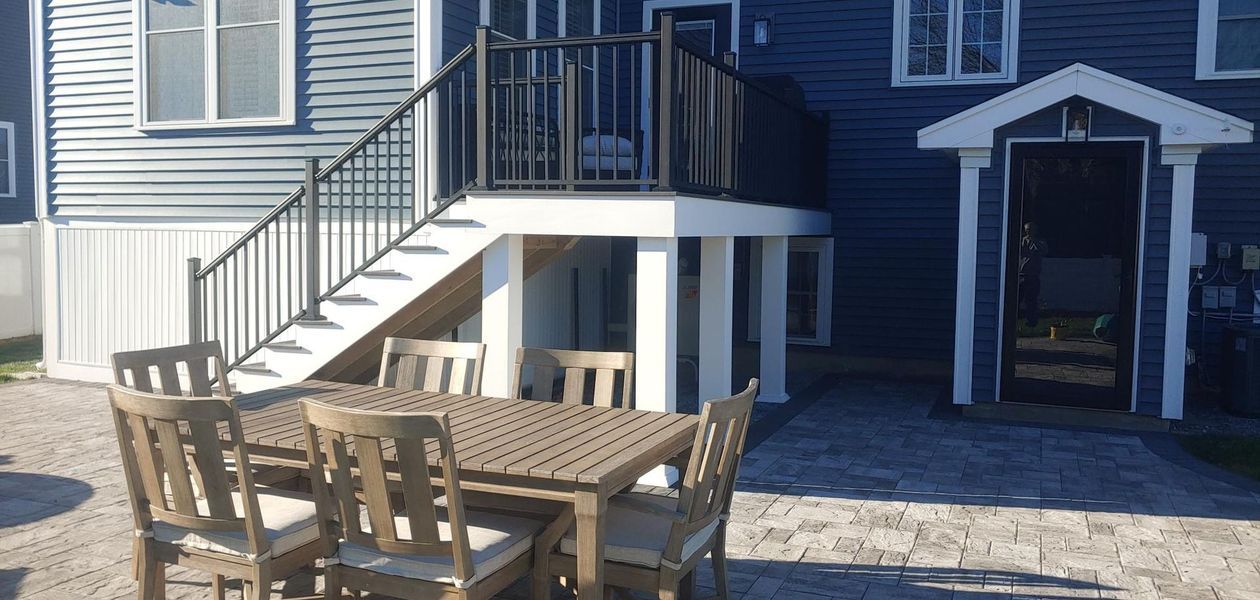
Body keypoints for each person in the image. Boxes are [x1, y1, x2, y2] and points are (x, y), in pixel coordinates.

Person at [1019, 222, 1049, 327]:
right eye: (1027, 230)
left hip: (1033, 275)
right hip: (1021, 275)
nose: (1028, 232)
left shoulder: (1040, 242)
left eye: (1031, 230)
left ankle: (1031, 321)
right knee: (1017, 298)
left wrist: (1033, 241)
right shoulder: (1021, 241)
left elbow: (1044, 251)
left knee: (1031, 300)